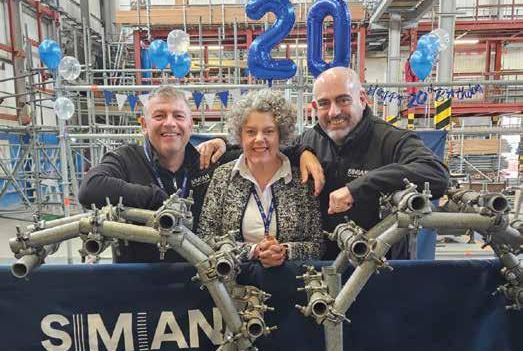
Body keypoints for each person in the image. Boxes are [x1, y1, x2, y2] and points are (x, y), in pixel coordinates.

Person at [78, 85, 322, 262]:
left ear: (190, 124)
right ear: (144, 124)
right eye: (159, 116)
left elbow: (263, 149)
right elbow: (90, 190)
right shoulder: (125, 158)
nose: (170, 123)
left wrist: (304, 152)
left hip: (198, 281)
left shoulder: (207, 160)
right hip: (139, 278)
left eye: (178, 116)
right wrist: (156, 198)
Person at [302, 66, 449, 258]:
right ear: (315, 107)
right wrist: (303, 152)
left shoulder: (392, 140)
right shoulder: (310, 139)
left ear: (362, 99)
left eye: (343, 100)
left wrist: (358, 188)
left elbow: (436, 174)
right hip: (323, 265)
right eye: (324, 103)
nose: (334, 112)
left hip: (381, 265)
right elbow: (278, 150)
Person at [196, 90, 323, 266]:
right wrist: (253, 251)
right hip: (234, 279)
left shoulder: (301, 179)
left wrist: (284, 251)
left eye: (269, 131)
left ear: (280, 135)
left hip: (291, 280)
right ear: (240, 136)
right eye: (251, 132)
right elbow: (205, 238)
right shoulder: (223, 176)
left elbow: (317, 245)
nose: (259, 139)